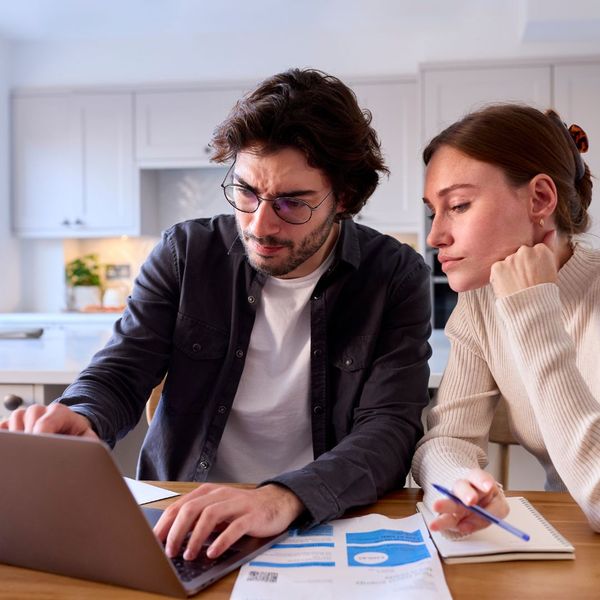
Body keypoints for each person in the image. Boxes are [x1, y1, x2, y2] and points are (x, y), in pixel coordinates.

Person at [1, 69, 432, 559]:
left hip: (317, 520)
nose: (259, 224)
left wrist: (282, 497)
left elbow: (390, 429)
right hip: (181, 516)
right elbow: (122, 370)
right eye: (246, 192)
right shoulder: (185, 253)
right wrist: (83, 415)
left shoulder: (394, 276)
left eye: (293, 203)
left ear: (345, 199)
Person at [411, 102, 600, 536]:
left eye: (457, 205)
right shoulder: (481, 304)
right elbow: (447, 439)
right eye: (432, 212)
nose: (436, 236)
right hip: (567, 542)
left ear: (539, 199)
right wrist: (460, 485)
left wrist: (534, 307)